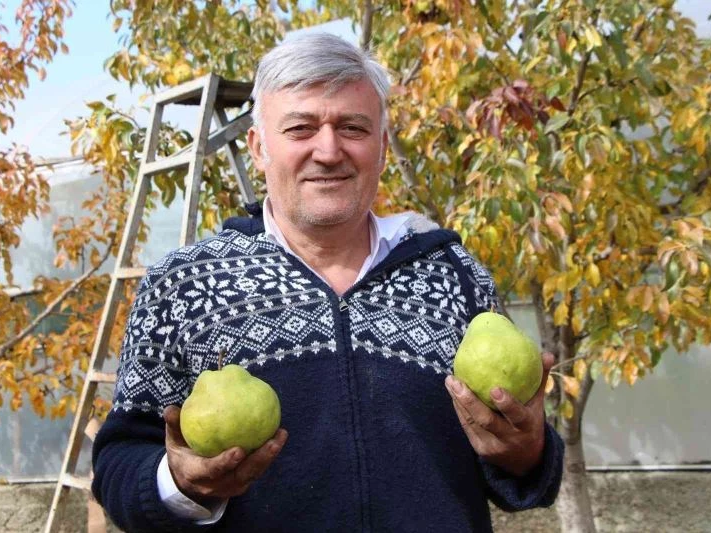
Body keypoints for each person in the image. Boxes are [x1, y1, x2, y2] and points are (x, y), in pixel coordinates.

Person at [91, 32, 564, 532]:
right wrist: (180, 484)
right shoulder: (182, 284)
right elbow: (120, 464)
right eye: (300, 128)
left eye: (353, 127)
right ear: (258, 147)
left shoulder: (454, 275)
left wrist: (528, 450)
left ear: (382, 147)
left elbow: (520, 465)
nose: (329, 150)